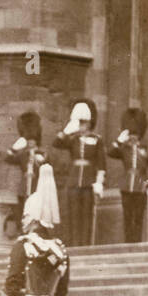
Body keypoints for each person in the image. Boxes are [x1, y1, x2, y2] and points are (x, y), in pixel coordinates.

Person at [0, 164, 69, 296]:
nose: (22, 221)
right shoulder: (59, 247)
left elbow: (12, 284)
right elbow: (62, 290)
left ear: (35, 219)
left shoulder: (23, 245)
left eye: (25, 216)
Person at [53, 100, 105, 247]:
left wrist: (99, 182)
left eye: (84, 122)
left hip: (89, 181)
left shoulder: (97, 140)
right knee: (74, 215)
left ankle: (85, 245)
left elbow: (101, 163)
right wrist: (67, 130)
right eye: (79, 122)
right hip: (74, 180)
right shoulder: (72, 139)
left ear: (89, 122)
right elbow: (56, 143)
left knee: (86, 216)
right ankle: (75, 245)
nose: (82, 125)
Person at [109, 107, 148, 244]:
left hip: (141, 186)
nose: (132, 136)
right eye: (131, 133)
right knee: (127, 216)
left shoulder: (146, 148)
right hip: (126, 186)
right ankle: (128, 243)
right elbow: (111, 152)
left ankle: (136, 242)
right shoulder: (123, 148)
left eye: (135, 133)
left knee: (138, 217)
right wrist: (119, 140)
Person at [4, 110, 46, 223]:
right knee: (23, 211)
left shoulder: (43, 153)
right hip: (24, 187)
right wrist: (14, 148)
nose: (31, 142)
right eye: (29, 140)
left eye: (33, 140)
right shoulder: (23, 154)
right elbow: (7, 158)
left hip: (37, 186)